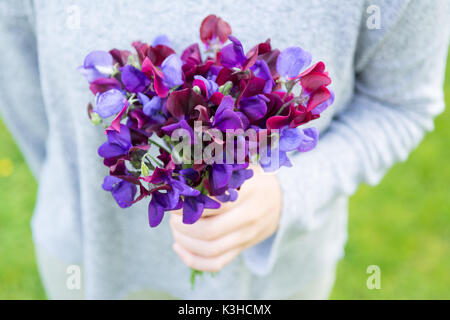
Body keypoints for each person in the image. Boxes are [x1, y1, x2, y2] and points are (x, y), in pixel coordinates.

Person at [0, 0, 448, 300]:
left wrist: (290, 194)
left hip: (273, 282)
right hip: (91, 264)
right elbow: (24, 89)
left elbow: (399, 103)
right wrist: (141, 171)